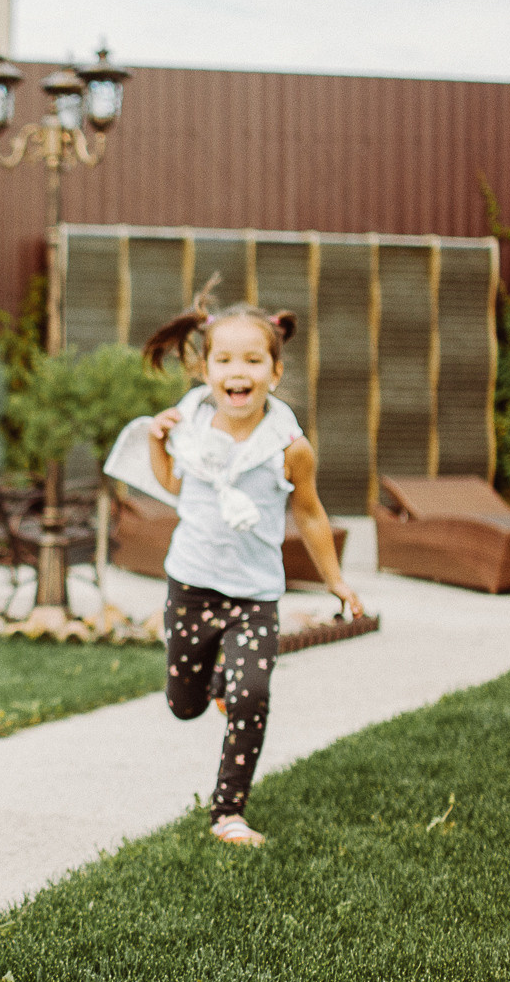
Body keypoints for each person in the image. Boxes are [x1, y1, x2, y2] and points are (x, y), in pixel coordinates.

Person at [105, 285, 365, 847]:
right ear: (205, 371)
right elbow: (174, 486)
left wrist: (336, 580)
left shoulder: (289, 447)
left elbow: (310, 515)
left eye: (252, 360)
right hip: (191, 588)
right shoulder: (189, 426)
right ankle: (217, 681)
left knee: (251, 697)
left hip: (255, 596)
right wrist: (158, 443)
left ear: (275, 372)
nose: (237, 371)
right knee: (184, 705)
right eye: (224, 360)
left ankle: (228, 812)